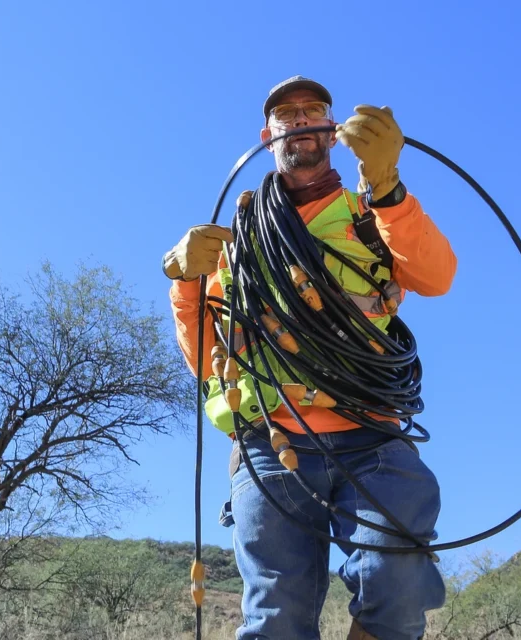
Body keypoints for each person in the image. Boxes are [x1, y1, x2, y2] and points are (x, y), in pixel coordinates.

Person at [163, 76, 457, 640]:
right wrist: (182, 281)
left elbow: (436, 275)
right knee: (276, 617)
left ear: (331, 129)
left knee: (395, 582)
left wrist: (388, 185)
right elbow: (205, 359)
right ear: (267, 135)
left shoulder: (370, 216)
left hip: (371, 433)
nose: (300, 118)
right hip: (268, 441)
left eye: (313, 109)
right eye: (286, 114)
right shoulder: (235, 242)